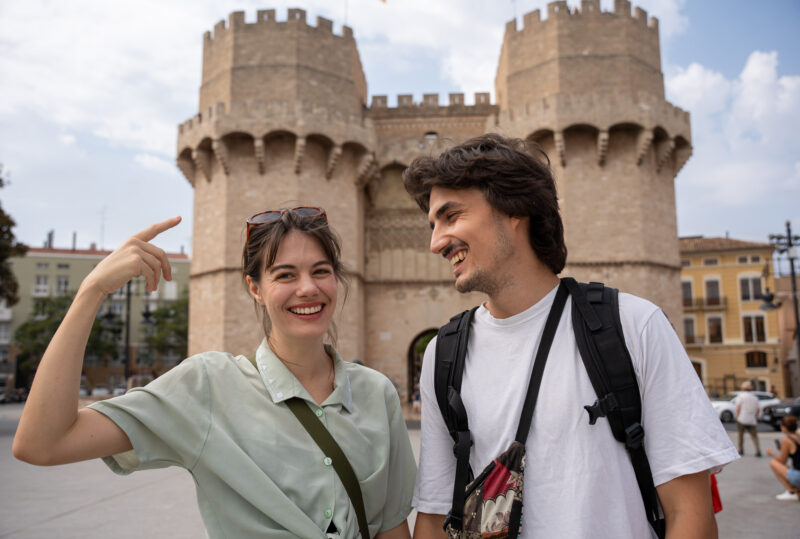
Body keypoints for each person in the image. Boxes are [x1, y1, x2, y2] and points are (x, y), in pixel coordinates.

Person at [402, 134, 739, 538]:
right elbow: (436, 517)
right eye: (433, 224)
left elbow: (690, 513)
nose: (435, 242)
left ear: (514, 209)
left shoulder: (633, 326)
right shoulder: (446, 354)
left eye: (451, 216)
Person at [13, 209, 416, 538]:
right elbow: (43, 443)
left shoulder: (375, 394)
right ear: (254, 288)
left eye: (321, 271)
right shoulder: (208, 387)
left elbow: (391, 530)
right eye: (285, 274)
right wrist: (92, 292)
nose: (308, 288)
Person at [765, 415, 800, 501]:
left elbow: (782, 461)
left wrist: (772, 453)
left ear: (784, 427)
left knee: (773, 463)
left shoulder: (787, 440)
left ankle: (791, 492)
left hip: (798, 475)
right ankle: (796, 489)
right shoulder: (798, 436)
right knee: (790, 468)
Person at [735, 381, 762, 457]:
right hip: (752, 419)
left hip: (742, 418)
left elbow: (738, 408)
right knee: (754, 436)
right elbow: (758, 409)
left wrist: (737, 416)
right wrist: (755, 417)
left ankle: (740, 450)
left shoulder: (741, 396)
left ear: (743, 388)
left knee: (740, 435)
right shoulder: (755, 397)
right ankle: (758, 450)